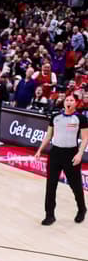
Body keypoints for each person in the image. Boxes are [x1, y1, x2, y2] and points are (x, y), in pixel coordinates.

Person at [33, 95, 87, 225]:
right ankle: (49, 215)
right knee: (51, 185)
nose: (68, 102)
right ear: (63, 102)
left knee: (75, 185)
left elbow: (85, 138)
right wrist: (40, 150)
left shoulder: (81, 118)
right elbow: (49, 135)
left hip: (71, 154)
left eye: (71, 100)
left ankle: (82, 209)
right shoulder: (55, 117)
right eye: (67, 100)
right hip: (55, 153)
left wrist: (79, 154)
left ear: (76, 103)